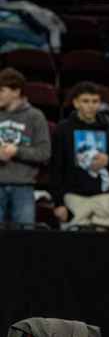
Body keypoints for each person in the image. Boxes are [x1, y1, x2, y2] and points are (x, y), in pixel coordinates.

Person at [51, 82, 109, 228]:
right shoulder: (63, 129)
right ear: (76, 103)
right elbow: (56, 167)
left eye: (95, 101)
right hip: (73, 196)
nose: (91, 106)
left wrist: (108, 160)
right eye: (85, 101)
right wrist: (58, 203)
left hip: (103, 196)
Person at [0, 68, 51, 225]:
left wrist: (17, 151)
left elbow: (44, 153)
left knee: (24, 235)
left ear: (16, 92)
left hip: (23, 187)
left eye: (1, 90)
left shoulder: (35, 117)